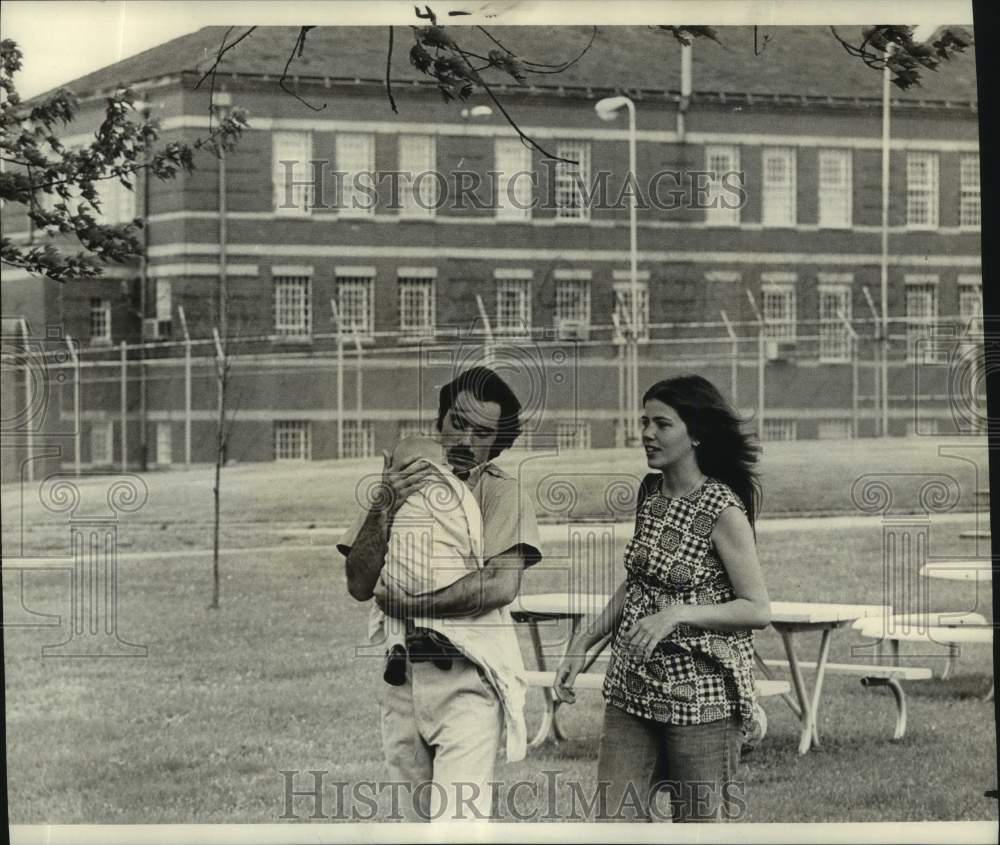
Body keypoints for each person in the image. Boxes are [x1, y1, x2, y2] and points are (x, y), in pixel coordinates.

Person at [553, 374, 771, 823]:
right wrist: (584, 642)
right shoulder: (649, 493)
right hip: (632, 688)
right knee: (615, 823)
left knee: (698, 829)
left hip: (701, 698)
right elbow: (638, 582)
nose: (647, 433)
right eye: (644, 422)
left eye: (662, 424)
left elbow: (756, 608)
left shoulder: (722, 509)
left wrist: (676, 615)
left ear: (695, 435)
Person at [338, 367, 543, 823]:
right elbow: (358, 583)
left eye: (482, 431)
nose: (465, 439)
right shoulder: (402, 483)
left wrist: (416, 606)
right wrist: (384, 505)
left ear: (498, 444)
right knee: (412, 827)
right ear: (438, 422)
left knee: (457, 828)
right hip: (403, 680)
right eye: (457, 422)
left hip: (467, 681)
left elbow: (500, 584)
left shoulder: (500, 492)